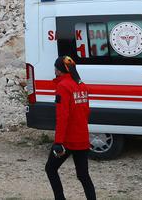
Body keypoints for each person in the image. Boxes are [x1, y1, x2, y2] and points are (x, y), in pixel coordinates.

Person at [45, 55, 96, 200]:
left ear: (59, 71)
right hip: (82, 138)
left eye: (55, 68)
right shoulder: (81, 84)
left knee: (50, 168)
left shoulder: (63, 86)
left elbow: (62, 117)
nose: (54, 70)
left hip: (67, 140)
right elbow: (86, 112)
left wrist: (58, 142)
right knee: (83, 175)